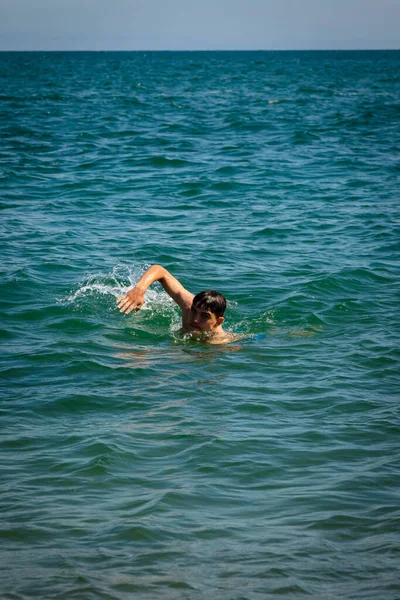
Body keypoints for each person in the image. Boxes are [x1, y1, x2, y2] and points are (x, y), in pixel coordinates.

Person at [117, 264, 235, 344]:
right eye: (194, 311)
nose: (195, 319)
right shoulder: (188, 305)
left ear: (218, 321)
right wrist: (140, 289)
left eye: (205, 316)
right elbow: (159, 270)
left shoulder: (220, 342)